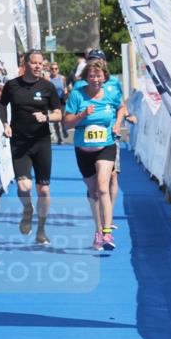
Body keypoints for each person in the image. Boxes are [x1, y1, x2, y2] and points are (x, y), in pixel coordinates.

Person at [0, 50, 61, 246]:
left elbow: (59, 113)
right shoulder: (12, 85)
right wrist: (5, 124)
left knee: (43, 190)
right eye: (33, 63)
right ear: (25, 64)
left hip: (41, 142)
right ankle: (27, 209)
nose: (37, 66)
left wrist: (47, 117)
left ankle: (41, 230)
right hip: (19, 142)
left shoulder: (48, 87)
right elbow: (2, 105)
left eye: (40, 63)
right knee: (24, 187)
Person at [64, 60, 120, 251]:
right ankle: (97, 231)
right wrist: (81, 115)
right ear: (86, 78)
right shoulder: (77, 95)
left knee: (103, 187)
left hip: (106, 146)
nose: (95, 79)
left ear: (105, 76)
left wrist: (117, 124)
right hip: (83, 149)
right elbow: (66, 123)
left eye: (99, 75)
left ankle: (107, 232)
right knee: (93, 191)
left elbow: (121, 108)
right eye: (91, 76)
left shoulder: (112, 93)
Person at [47, 61, 66, 144]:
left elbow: (65, 88)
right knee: (55, 120)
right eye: (52, 69)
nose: (54, 70)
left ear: (58, 70)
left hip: (61, 100)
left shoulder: (62, 78)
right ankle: (59, 138)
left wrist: (66, 92)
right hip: (53, 101)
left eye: (56, 69)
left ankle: (64, 130)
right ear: (50, 70)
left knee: (62, 118)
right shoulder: (48, 79)